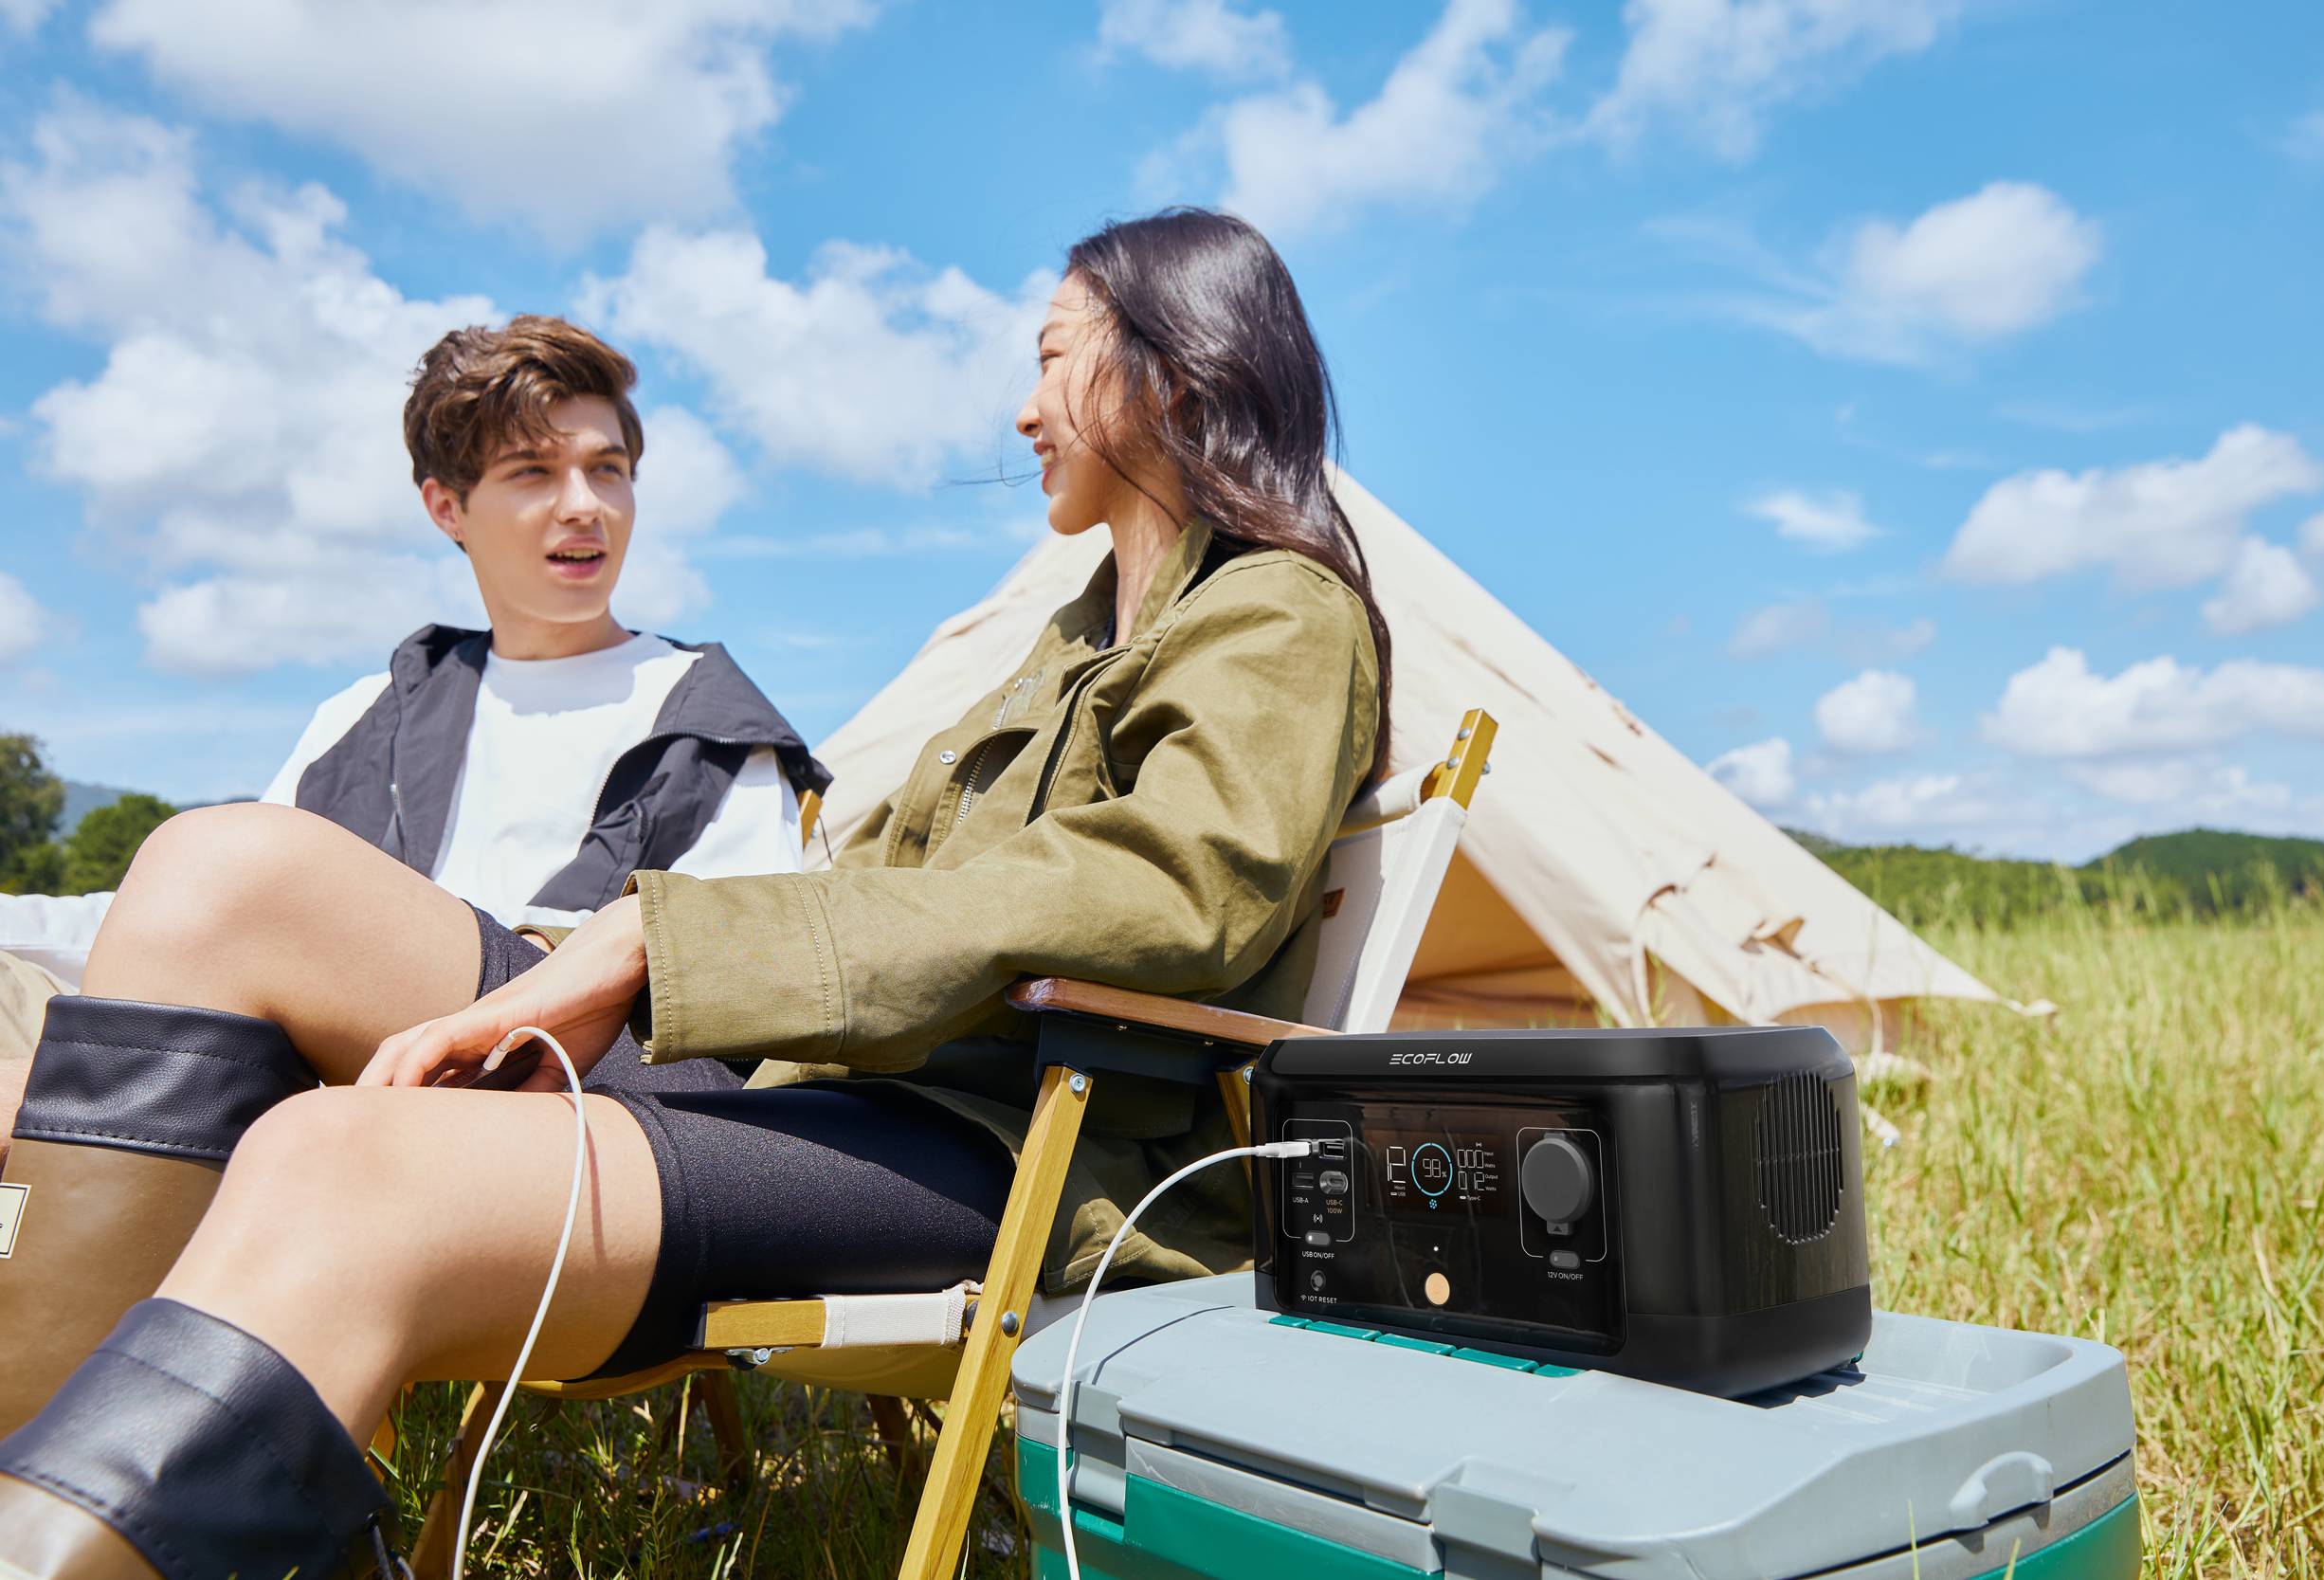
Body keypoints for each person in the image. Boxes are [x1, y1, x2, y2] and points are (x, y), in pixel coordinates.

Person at [0, 208, 1389, 1577]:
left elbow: (1169, 886)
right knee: (222, 866)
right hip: (798, 1071)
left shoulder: (1278, 612)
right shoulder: (1072, 637)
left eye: (1052, 357)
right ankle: (30, 1455)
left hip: (985, 1138)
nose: (1025, 409)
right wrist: (624, 947)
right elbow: (882, 890)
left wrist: (658, 938)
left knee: (333, 1155)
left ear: (1173, 369)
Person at [0, 315, 824, 991]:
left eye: (606, 470)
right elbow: (191, 909)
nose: (585, 507)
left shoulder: (705, 718)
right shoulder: (369, 717)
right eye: (533, 473)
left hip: (564, 1081)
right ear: (447, 508)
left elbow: (743, 972)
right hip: (326, 1063)